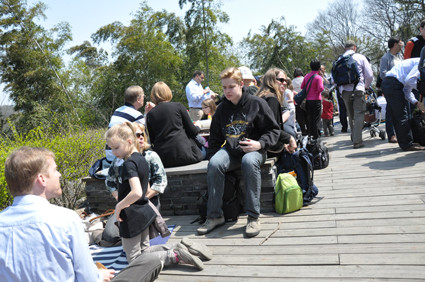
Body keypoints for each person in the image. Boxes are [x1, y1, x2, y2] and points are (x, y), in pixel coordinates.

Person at [0, 146, 164, 282]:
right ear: (42, 179)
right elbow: (87, 278)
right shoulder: (65, 219)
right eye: (55, 170)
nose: (59, 174)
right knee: (150, 261)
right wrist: (98, 275)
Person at [105, 122, 208, 269]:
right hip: (144, 212)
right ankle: (179, 246)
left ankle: (174, 256)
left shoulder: (128, 164)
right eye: (111, 148)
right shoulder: (142, 158)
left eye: (116, 148)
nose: (113, 152)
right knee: (145, 250)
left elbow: (136, 192)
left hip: (131, 216)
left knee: (134, 259)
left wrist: (119, 205)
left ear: (129, 141)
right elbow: (145, 188)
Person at [197, 67, 281, 238]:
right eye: (224, 87)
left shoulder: (257, 104)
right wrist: (215, 158)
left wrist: (260, 144)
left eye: (231, 87)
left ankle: (253, 217)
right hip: (231, 150)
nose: (227, 91)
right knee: (214, 163)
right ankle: (214, 216)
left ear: (241, 84)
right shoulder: (221, 109)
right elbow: (214, 140)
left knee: (249, 162)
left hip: (255, 150)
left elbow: (273, 130)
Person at [106, 123, 167, 208]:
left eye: (142, 134)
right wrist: (121, 200)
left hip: (149, 202)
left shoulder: (150, 156)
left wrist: (142, 199)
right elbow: (109, 181)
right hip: (128, 205)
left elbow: (160, 181)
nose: (141, 137)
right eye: (137, 135)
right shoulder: (118, 160)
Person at [147, 81, 204, 167]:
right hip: (186, 155)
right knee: (205, 150)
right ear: (168, 92)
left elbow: (152, 139)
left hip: (164, 160)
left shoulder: (150, 114)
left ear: (153, 96)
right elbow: (192, 131)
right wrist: (198, 127)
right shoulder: (178, 106)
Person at [381, 58, 425, 151]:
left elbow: (407, 90)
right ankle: (407, 144)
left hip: (390, 83)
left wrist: (416, 102)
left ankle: (405, 143)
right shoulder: (421, 63)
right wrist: (422, 89)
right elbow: (410, 79)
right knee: (402, 116)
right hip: (393, 83)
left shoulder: (418, 64)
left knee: (399, 116)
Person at [337, 40, 373, 148]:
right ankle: (357, 141)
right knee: (359, 114)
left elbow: (334, 79)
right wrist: (365, 86)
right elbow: (370, 75)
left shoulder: (340, 59)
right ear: (355, 47)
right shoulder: (360, 57)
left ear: (345, 48)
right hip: (358, 89)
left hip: (344, 91)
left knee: (350, 115)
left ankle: (354, 136)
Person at [106, 85, 153, 163]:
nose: (143, 99)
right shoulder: (136, 115)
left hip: (110, 155)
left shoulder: (117, 111)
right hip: (121, 157)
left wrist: (145, 113)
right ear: (138, 99)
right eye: (143, 96)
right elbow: (143, 134)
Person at [380, 37, 404, 143]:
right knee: (390, 111)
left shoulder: (400, 55)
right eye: (400, 43)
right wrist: (394, 76)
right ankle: (391, 134)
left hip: (402, 87)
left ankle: (402, 133)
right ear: (395, 44)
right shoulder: (385, 58)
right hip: (391, 87)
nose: (402, 44)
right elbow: (382, 74)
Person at [301, 59, 325, 139]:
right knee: (316, 119)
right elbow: (321, 89)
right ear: (319, 67)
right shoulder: (318, 78)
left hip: (308, 100)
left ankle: (310, 136)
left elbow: (302, 87)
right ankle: (316, 137)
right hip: (316, 100)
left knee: (310, 119)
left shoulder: (306, 76)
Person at [293, 68, 308, 136]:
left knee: (300, 117)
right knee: (307, 116)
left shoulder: (292, 81)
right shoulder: (305, 79)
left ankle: (303, 131)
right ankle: (309, 130)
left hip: (297, 101)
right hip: (306, 100)